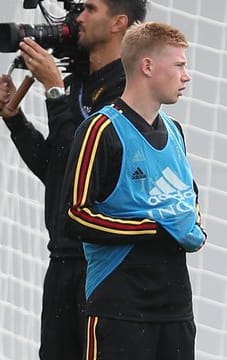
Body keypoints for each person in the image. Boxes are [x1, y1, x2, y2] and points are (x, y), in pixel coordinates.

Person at [0, 1, 147, 359]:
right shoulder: (80, 83)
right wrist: (15, 121)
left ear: (118, 23)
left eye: (90, 9)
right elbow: (61, 172)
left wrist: (54, 93)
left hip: (103, 266)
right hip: (63, 259)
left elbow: (85, 164)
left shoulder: (128, 91)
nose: (77, 18)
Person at [62, 21, 206, 360]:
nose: (186, 77)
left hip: (175, 309)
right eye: (180, 66)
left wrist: (192, 225)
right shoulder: (101, 129)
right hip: (119, 307)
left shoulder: (175, 131)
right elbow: (75, 215)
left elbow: (190, 198)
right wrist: (152, 228)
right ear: (147, 66)